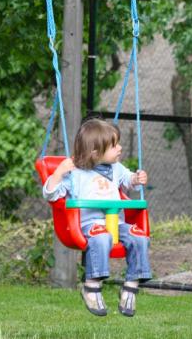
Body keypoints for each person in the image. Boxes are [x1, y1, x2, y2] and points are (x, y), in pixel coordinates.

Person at [43, 118, 151, 317]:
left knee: (139, 236)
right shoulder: (75, 173)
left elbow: (128, 182)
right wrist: (59, 172)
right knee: (102, 237)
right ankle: (91, 286)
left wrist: (136, 179)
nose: (120, 148)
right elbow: (51, 194)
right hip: (88, 225)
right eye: (114, 145)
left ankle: (131, 286)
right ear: (95, 152)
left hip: (116, 223)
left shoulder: (116, 168)